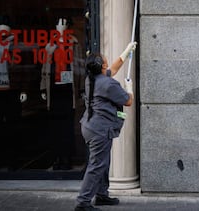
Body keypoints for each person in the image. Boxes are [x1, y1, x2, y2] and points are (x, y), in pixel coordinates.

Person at [74, 41, 136, 211]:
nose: (106, 57)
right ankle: (83, 202)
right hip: (99, 130)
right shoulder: (109, 84)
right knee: (97, 165)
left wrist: (126, 51)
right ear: (102, 65)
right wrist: (129, 88)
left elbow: (113, 69)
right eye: (104, 58)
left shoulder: (92, 79)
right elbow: (128, 101)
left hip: (90, 127)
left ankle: (101, 195)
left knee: (103, 162)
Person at [40, 18, 85, 170]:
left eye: (63, 24)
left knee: (67, 125)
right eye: (58, 23)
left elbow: (79, 65)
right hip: (54, 89)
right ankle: (57, 157)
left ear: (67, 26)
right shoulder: (50, 44)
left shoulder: (73, 43)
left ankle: (66, 158)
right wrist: (43, 89)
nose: (60, 26)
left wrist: (80, 88)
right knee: (55, 125)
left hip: (68, 88)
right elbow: (45, 67)